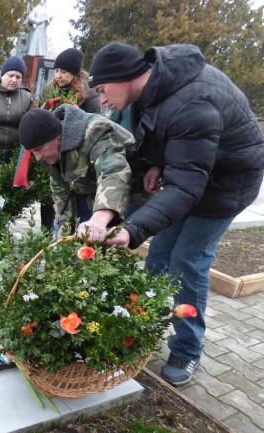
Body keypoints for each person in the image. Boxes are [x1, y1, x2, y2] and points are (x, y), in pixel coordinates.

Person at [88, 43, 264, 386]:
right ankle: (142, 329)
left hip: (226, 187)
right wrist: (159, 163)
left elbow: (185, 187)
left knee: (187, 261)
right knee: (159, 255)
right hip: (194, 174)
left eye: (103, 89)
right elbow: (170, 141)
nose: (103, 100)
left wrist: (133, 229)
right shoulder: (153, 90)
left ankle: (187, 349)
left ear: (124, 77)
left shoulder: (192, 103)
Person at [18, 104, 144, 240]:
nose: (38, 158)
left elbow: (113, 173)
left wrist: (99, 218)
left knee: (106, 239)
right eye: (33, 152)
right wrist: (64, 221)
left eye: (38, 149)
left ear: (57, 136)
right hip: (89, 191)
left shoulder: (95, 131)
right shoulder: (49, 151)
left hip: (130, 192)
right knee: (62, 230)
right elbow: (59, 186)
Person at [47, 48, 101, 114]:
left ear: (74, 74)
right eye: (56, 71)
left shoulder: (89, 92)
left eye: (63, 72)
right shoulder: (50, 89)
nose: (58, 76)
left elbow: (95, 116)